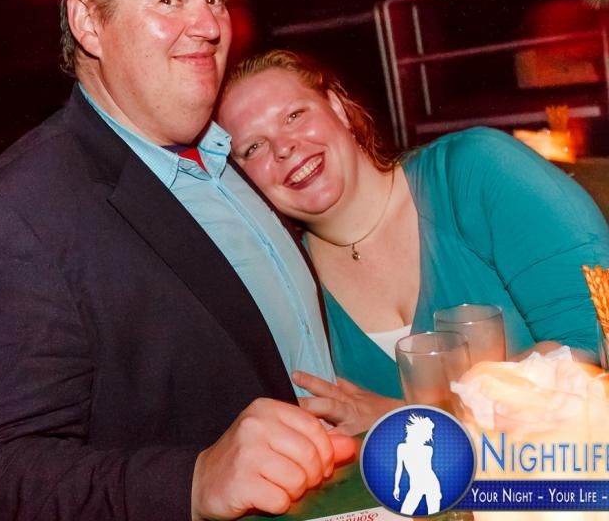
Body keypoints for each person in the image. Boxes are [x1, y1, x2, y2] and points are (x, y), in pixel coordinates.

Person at [0, 0, 356, 521]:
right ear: (89, 23)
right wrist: (192, 481)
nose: (208, 25)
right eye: (171, 0)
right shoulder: (19, 213)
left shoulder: (234, 156)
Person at [217, 49, 609, 429]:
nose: (283, 147)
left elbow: (594, 341)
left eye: (294, 115)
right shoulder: (290, 294)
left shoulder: (474, 173)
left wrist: (400, 416)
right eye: (253, 147)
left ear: (337, 108)